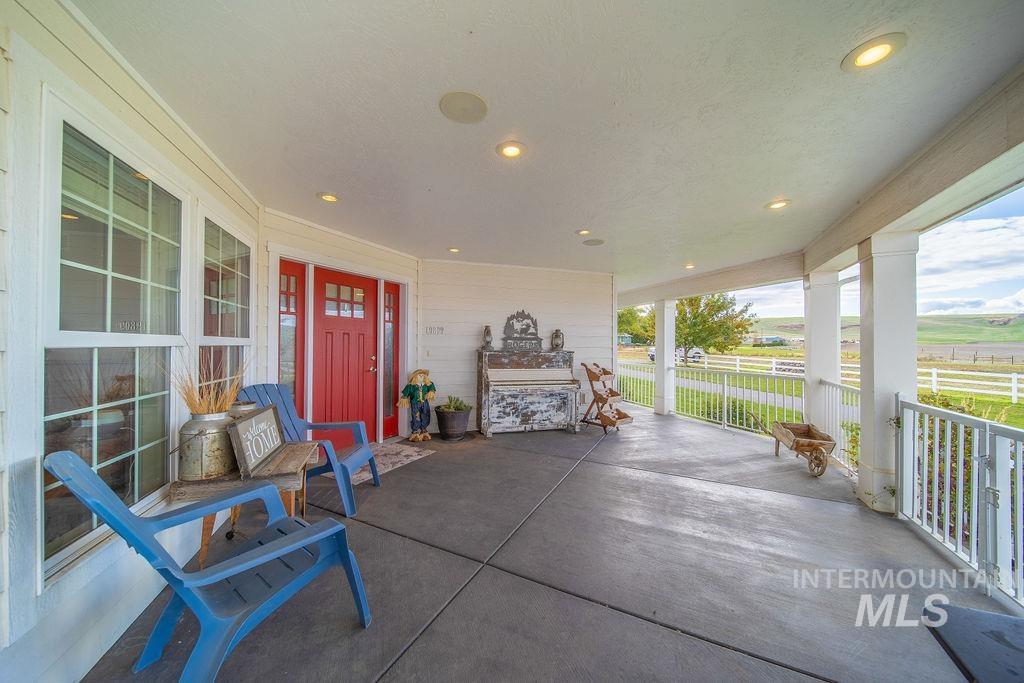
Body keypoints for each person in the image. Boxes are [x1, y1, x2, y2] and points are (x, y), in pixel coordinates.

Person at [398, 368, 436, 441]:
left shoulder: (427, 384)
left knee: (426, 414)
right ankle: (415, 433)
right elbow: (406, 393)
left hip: (424, 402)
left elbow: (432, 388)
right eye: (419, 375)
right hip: (415, 403)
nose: (421, 376)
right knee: (416, 416)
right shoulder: (411, 386)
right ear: (415, 377)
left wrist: (431, 392)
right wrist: (404, 398)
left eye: (423, 375)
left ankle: (424, 431)